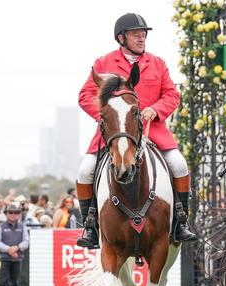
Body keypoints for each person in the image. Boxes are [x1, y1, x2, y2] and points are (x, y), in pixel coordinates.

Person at [76, 13, 197, 248]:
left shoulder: (157, 63)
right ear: (121, 38)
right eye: (136, 34)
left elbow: (172, 94)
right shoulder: (103, 64)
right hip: (115, 133)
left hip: (153, 131)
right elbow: (85, 96)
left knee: (180, 165)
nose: (142, 38)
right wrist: (108, 114)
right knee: (85, 171)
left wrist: (156, 109)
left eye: (143, 34)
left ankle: (181, 221)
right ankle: (90, 226)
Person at [0, 204, 30, 286]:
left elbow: (26, 242)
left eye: (16, 212)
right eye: (11, 212)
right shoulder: (0, 227)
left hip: (17, 258)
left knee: (15, 283)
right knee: (3, 282)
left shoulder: (23, 227)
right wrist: (9, 249)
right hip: (5, 258)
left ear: (19, 214)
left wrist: (17, 248)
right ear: (6, 214)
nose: (13, 214)